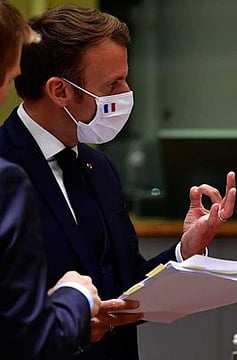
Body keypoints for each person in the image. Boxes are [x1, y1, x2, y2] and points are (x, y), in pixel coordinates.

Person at [0, 4, 236, 360]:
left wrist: (184, 250)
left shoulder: (100, 167)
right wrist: (75, 313)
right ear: (60, 91)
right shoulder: (4, 169)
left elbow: (123, 286)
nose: (126, 92)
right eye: (112, 83)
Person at [0, 1, 102, 359]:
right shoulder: (6, 176)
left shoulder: (98, 167)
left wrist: (184, 251)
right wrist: (74, 297)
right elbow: (29, 337)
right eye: (10, 78)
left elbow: (122, 273)